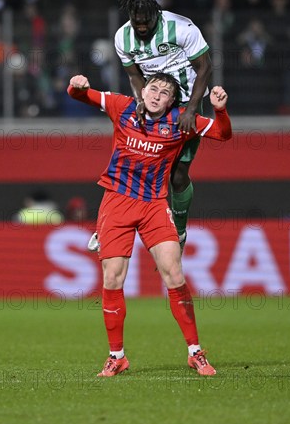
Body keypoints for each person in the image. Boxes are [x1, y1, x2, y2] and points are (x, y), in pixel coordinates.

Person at [67, 71, 232, 377]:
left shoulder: (181, 122)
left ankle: (195, 352)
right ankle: (117, 356)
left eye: (165, 93)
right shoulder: (122, 106)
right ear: (143, 91)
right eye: (153, 89)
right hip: (116, 201)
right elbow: (79, 95)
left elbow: (223, 135)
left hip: (154, 204)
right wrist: (77, 85)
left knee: (174, 272)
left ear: (172, 100)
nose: (157, 95)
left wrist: (219, 109)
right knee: (113, 278)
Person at [114, 0, 212, 251]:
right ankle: (111, 224)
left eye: (147, 22)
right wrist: (140, 101)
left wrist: (192, 109)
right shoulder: (123, 37)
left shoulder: (181, 28)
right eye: (137, 23)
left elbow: (204, 67)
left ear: (157, 15)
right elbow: (134, 75)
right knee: (133, 162)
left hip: (185, 104)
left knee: (178, 175)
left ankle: (179, 230)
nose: (142, 27)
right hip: (155, 102)